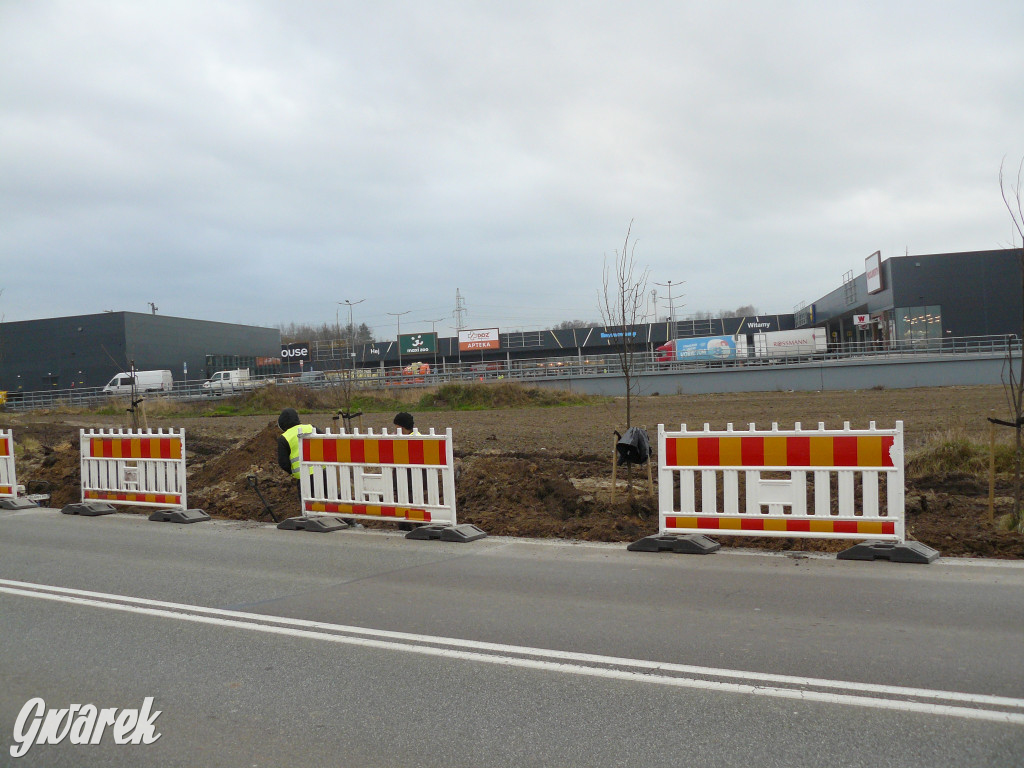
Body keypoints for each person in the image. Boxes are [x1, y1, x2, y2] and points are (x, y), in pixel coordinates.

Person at [277, 408, 359, 527]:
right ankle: (350, 521)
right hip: (322, 472)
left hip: (304, 478)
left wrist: (294, 472)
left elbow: (283, 463)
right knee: (334, 496)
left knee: (307, 502)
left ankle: (312, 522)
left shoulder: (284, 438)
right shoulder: (311, 428)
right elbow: (326, 443)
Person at [393, 412, 420, 531]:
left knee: (408, 501)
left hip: (409, 477)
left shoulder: (413, 438)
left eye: (397, 426)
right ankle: (410, 523)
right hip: (408, 476)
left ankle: (409, 524)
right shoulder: (415, 435)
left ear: (402, 427)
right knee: (408, 500)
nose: (395, 429)